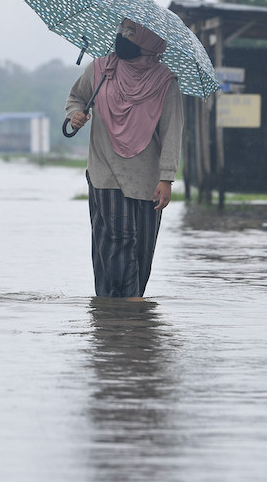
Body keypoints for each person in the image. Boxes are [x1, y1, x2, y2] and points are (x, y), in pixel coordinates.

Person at [65, 18, 184, 300]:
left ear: (148, 41)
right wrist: (75, 115)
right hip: (104, 170)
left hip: (147, 177)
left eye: (131, 34)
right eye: (121, 31)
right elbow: (75, 99)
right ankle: (128, 308)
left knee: (142, 247)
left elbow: (172, 132)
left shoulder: (165, 82)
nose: (122, 38)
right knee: (117, 239)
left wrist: (166, 178)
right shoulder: (99, 70)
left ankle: (118, 310)